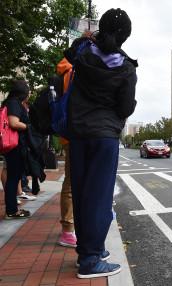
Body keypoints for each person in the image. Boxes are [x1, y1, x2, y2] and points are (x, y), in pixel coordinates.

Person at [65, 8, 137, 279]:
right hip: (104, 136)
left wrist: (88, 37)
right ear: (125, 36)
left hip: (78, 132)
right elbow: (125, 107)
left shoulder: (83, 52)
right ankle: (91, 259)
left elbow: (68, 54)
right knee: (98, 197)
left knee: (83, 194)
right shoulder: (126, 67)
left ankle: (87, 250)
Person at [2, 80, 31, 219]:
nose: (29, 93)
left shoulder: (11, 102)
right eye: (28, 90)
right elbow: (14, 123)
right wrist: (29, 127)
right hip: (14, 145)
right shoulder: (13, 103)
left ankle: (12, 209)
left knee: (14, 177)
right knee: (13, 178)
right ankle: (12, 211)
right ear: (23, 92)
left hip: (14, 145)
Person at [56, 57, 77, 248]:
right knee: (72, 182)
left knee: (72, 181)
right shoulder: (73, 72)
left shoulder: (65, 71)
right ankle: (68, 230)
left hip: (68, 132)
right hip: (77, 132)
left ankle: (70, 228)